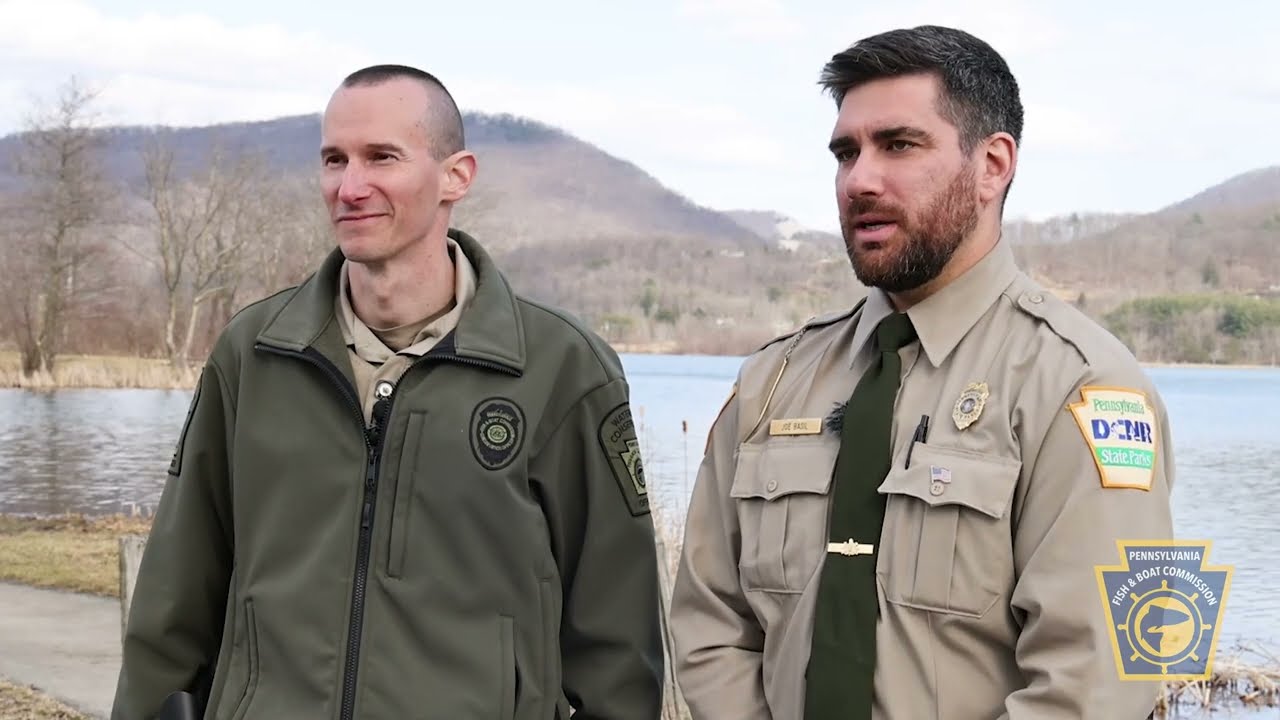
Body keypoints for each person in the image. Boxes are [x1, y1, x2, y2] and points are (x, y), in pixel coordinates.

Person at [112, 64, 664, 720]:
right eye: (334, 160)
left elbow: (617, 645)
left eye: (381, 158)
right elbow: (175, 597)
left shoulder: (562, 369)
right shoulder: (254, 353)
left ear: (456, 176)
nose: (350, 187)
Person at [669, 25, 1175, 720]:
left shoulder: (1085, 387)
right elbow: (709, 626)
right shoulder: (773, 381)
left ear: (992, 165)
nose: (860, 180)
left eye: (899, 145)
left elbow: (1100, 686)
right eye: (846, 153)